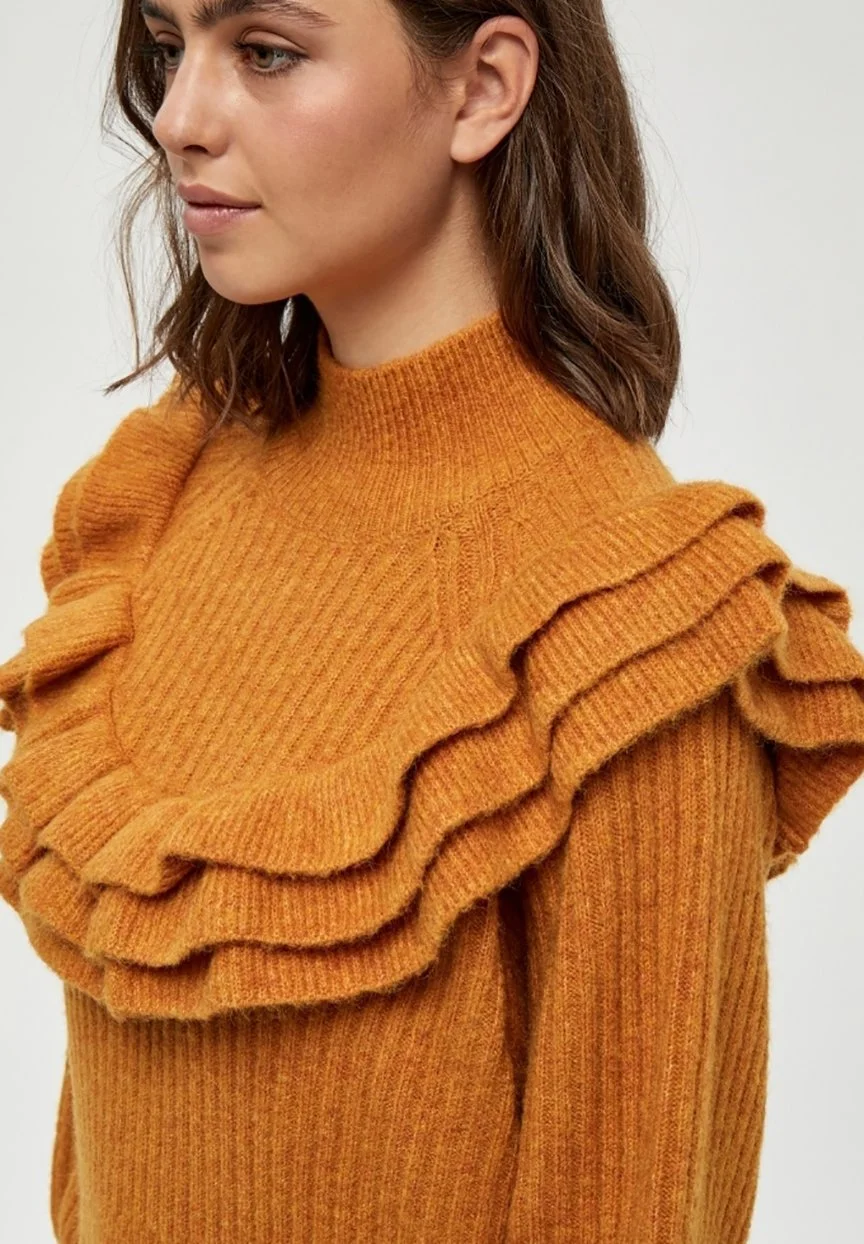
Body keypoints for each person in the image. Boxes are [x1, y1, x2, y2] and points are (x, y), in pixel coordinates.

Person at [1, 0, 862, 1240]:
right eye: (170, 48)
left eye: (266, 52)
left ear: (484, 87)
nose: (180, 118)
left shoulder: (629, 619)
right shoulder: (163, 500)